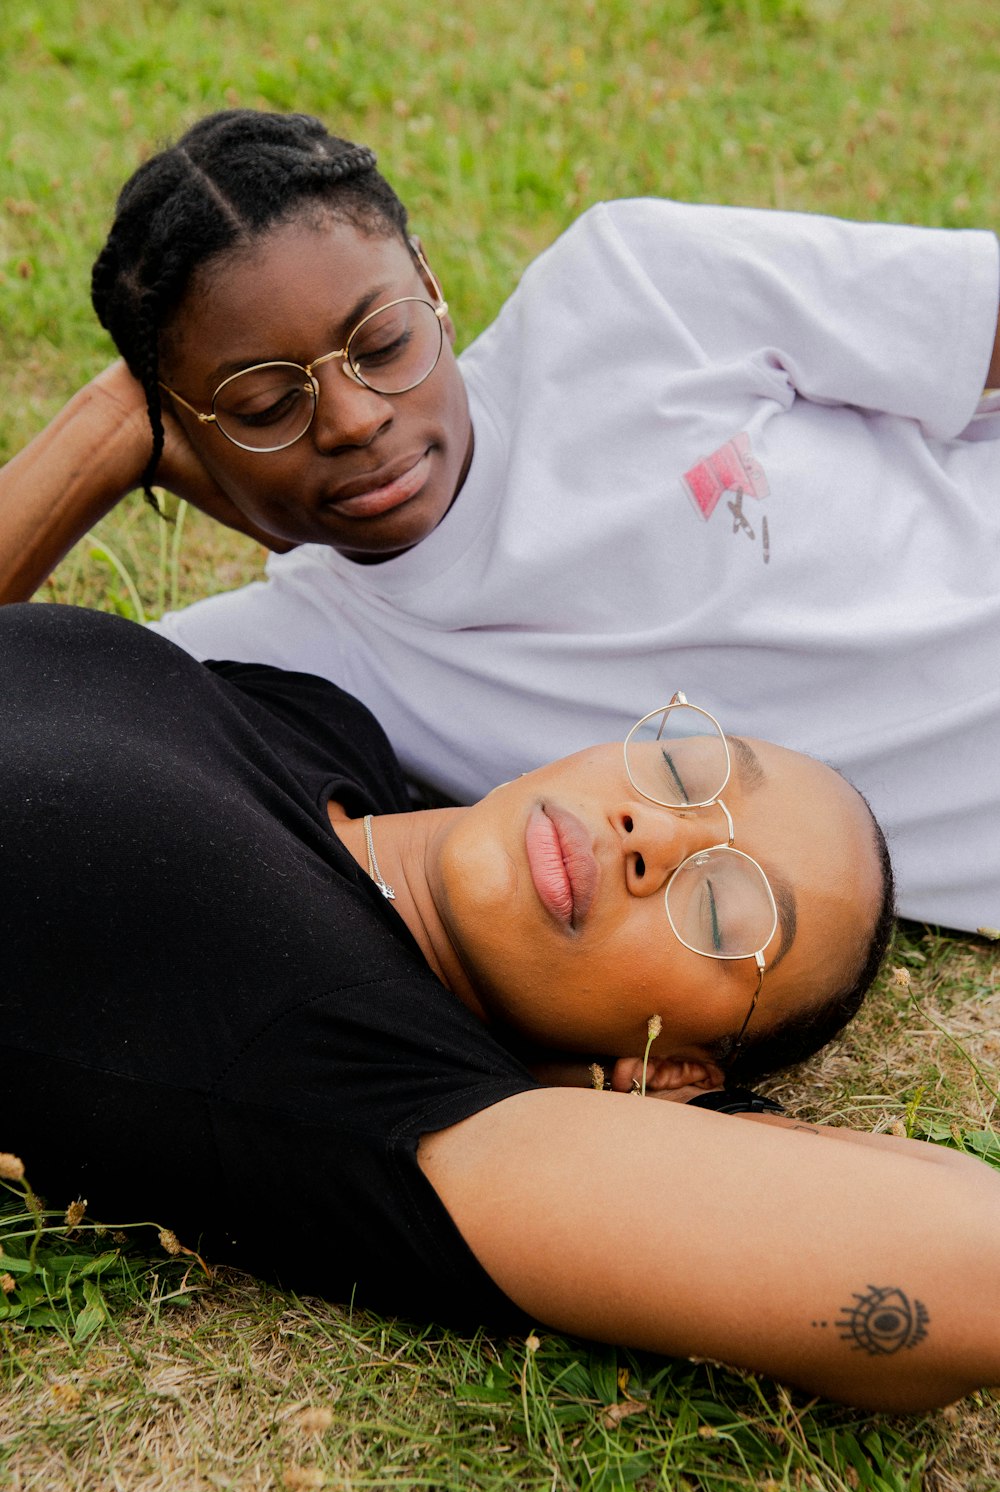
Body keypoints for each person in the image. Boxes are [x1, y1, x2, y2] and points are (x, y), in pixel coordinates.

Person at [2, 109, 999, 933]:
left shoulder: (634, 289)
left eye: (384, 342)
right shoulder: (297, 655)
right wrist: (94, 442)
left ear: (430, 285)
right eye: (265, 407)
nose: (355, 418)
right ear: (181, 429)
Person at [5, 599, 1000, 1415]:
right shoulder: (326, 727)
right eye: (688, 775)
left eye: (718, 906)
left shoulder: (364, 1072)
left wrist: (645, 1115)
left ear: (665, 1071)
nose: (648, 830)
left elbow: (970, 1262)